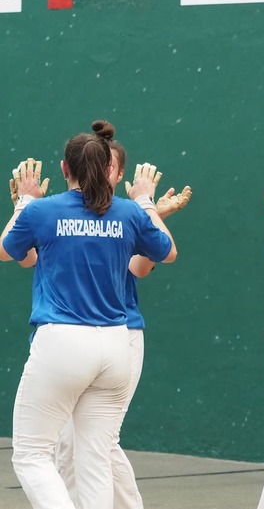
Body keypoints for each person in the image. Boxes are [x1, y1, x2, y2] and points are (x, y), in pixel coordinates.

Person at [0, 120, 177, 509]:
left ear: (65, 169)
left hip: (62, 344)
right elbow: (167, 251)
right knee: (94, 458)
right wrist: (148, 202)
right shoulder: (130, 212)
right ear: (108, 170)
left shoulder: (42, 211)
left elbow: (5, 249)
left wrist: (24, 201)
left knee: (31, 455)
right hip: (115, 346)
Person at [51, 140, 192, 508]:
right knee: (72, 442)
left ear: (119, 174)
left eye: (108, 165)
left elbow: (141, 266)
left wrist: (151, 214)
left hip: (121, 336)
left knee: (95, 441)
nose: (101, 170)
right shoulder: (69, 214)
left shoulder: (127, 214)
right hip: (75, 339)